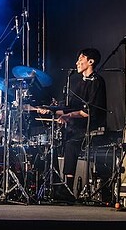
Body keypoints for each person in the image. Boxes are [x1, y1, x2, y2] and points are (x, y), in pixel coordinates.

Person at [29, 47, 108, 199]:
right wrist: (49, 110)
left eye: (80, 59)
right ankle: (55, 183)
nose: (77, 63)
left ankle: (68, 188)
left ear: (91, 61)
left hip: (91, 126)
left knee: (71, 143)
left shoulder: (97, 82)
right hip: (76, 127)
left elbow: (89, 111)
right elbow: (69, 107)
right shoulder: (79, 83)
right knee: (52, 144)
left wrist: (68, 115)